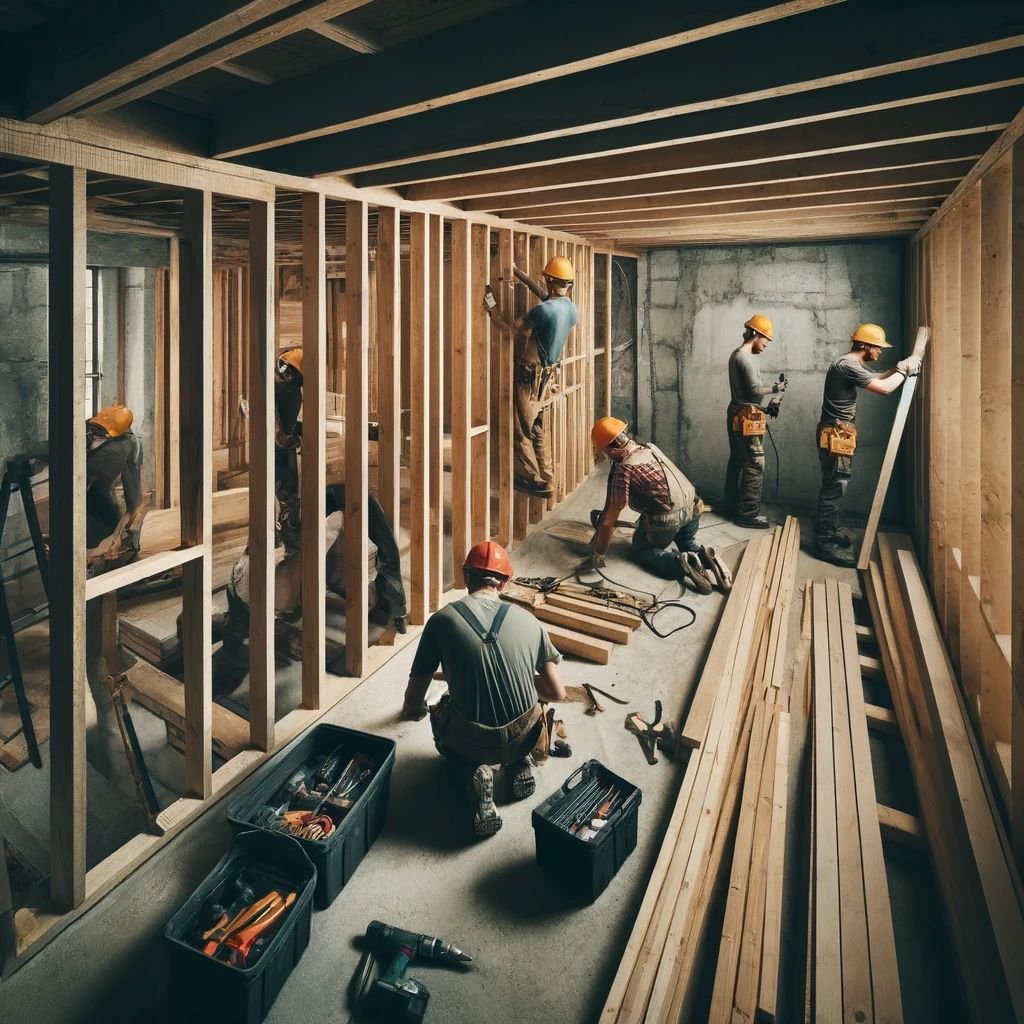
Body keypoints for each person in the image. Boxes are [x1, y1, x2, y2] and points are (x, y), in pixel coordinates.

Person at [401, 542, 565, 838]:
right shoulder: (530, 620)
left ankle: (471, 772)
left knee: (441, 711)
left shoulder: (441, 621)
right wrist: (523, 679)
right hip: (523, 735)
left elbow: (414, 699)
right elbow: (557, 693)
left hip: (472, 742)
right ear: (504, 582)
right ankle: (518, 762)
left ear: (466, 577)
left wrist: (416, 710)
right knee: (531, 708)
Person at [815, 323, 921, 567]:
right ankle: (824, 545)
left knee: (834, 486)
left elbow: (876, 377)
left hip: (837, 432)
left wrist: (898, 367)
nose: (880, 351)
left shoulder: (850, 364)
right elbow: (884, 388)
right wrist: (904, 372)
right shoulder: (848, 365)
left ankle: (829, 534)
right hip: (836, 434)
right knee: (834, 488)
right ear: (864, 345)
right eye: (878, 347)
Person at [587, 417, 730, 594]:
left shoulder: (625, 469)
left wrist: (600, 552)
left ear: (609, 448)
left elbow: (609, 520)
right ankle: (705, 557)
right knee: (686, 540)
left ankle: (679, 563)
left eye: (602, 450)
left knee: (642, 549)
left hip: (667, 521)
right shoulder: (650, 448)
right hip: (694, 508)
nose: (602, 454)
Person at [484, 256, 579, 498]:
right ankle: (546, 475)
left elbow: (513, 331)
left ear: (548, 280)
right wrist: (519, 274)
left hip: (529, 376)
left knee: (521, 430)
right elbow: (547, 296)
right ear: (568, 283)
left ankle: (533, 479)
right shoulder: (570, 309)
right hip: (546, 379)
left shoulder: (542, 310)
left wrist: (493, 311)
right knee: (537, 428)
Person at [724, 314, 787, 529]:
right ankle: (748, 514)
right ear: (755, 334)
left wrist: (770, 401)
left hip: (738, 412)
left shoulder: (741, 355)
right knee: (754, 462)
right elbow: (753, 393)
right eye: (766, 340)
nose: (766, 345)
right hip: (745, 416)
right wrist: (775, 389)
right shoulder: (744, 357)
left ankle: (730, 506)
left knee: (737, 460)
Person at [86, 403, 144, 555]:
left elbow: (134, 500)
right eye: (93, 428)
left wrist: (118, 536)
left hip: (99, 497)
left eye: (100, 433)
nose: (94, 434)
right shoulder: (86, 430)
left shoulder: (129, 447)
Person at [275, 348, 304, 549]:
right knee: (279, 491)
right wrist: (280, 438)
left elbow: (290, 418)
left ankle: (288, 533)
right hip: (273, 446)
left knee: (289, 492)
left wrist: (293, 434)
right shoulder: (271, 387)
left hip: (285, 446)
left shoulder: (293, 390)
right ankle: (278, 534)